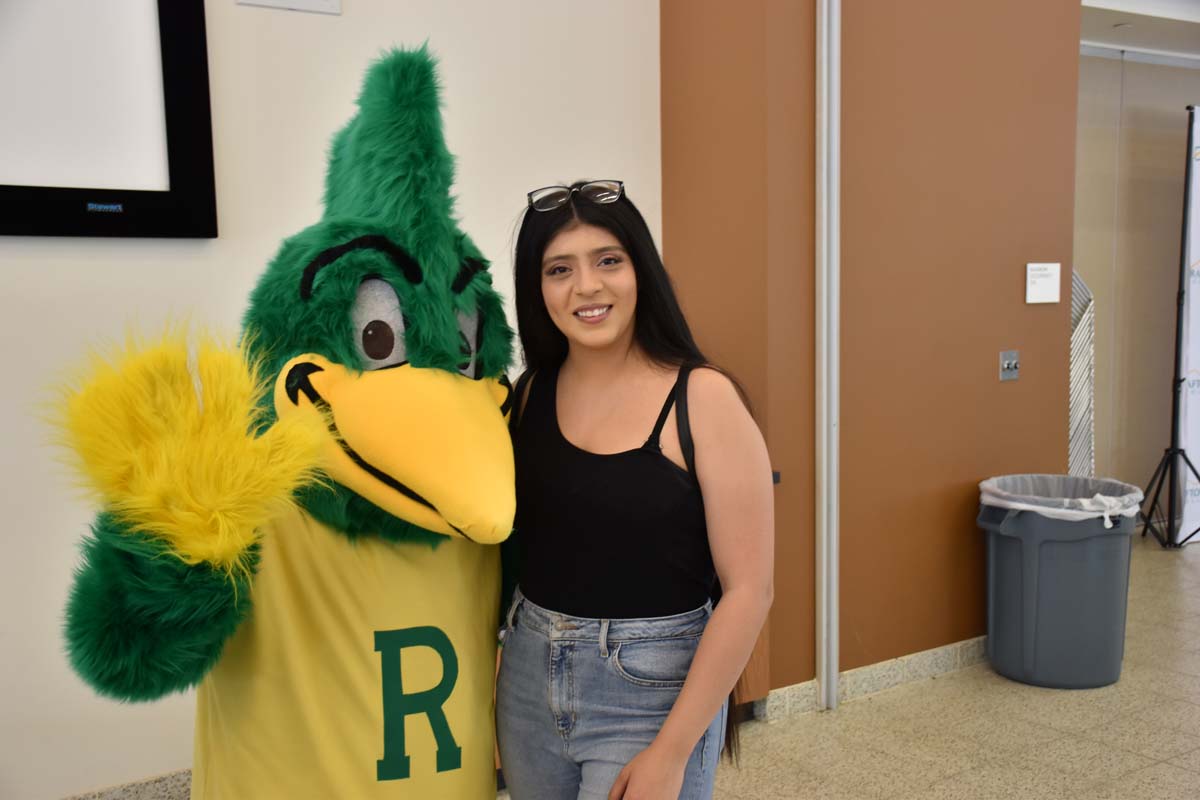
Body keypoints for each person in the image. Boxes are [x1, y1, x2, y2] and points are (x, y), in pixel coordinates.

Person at [496, 179, 774, 800]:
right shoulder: (530, 394)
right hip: (527, 682)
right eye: (559, 269)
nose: (586, 286)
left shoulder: (703, 398)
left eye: (608, 261)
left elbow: (749, 591)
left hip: (650, 695)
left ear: (641, 270)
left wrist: (671, 753)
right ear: (537, 289)